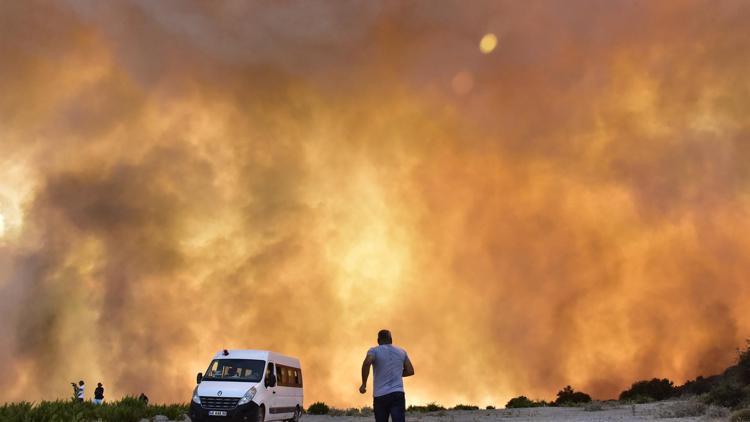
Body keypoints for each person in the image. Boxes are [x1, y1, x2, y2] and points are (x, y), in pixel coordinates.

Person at [359, 330, 415, 422]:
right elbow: (410, 371)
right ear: (391, 339)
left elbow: (366, 364)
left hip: (380, 395)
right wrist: (396, 373)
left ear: (378, 340)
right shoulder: (402, 351)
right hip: (397, 393)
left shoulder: (374, 351)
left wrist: (364, 384)